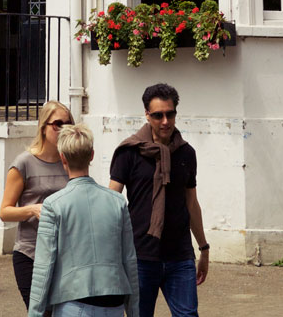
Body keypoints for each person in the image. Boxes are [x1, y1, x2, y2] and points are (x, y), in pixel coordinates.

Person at [109, 84, 209, 317]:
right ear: (146, 115)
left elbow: (191, 203)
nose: (165, 121)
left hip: (180, 255)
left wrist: (204, 248)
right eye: (158, 115)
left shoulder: (186, 153)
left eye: (170, 114)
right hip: (140, 256)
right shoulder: (129, 152)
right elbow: (112, 201)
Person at [28, 122, 139, 317]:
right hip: (114, 302)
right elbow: (129, 260)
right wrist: (133, 311)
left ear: (63, 158)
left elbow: (44, 266)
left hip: (73, 301)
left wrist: (35, 313)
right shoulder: (117, 202)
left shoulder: (53, 205)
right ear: (92, 155)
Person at [0, 99, 73, 307]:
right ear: (43, 127)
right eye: (58, 124)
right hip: (31, 253)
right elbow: (4, 212)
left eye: (68, 124)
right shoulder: (24, 163)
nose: (63, 129)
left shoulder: (70, 161)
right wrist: (32, 209)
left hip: (65, 253)